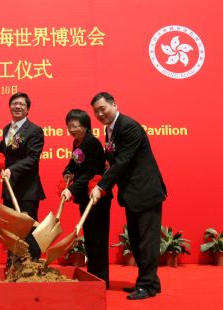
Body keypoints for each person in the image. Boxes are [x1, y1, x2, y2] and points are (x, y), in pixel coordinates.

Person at [89, 92, 167, 300]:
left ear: (114, 104)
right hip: (132, 194)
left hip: (145, 192)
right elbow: (113, 160)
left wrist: (101, 186)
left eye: (102, 109)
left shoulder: (129, 127)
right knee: (136, 239)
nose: (99, 114)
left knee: (146, 241)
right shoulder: (110, 129)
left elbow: (122, 162)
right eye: (96, 111)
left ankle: (146, 286)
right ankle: (151, 281)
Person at [0, 92, 45, 261]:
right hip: (9, 187)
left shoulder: (34, 130)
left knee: (28, 228)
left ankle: (32, 266)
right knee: (11, 228)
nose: (17, 107)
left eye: (22, 105)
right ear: (10, 106)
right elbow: (8, 151)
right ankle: (14, 265)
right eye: (14, 104)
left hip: (27, 189)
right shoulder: (7, 128)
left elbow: (32, 158)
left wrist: (12, 169)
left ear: (27, 109)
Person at [60, 109, 111, 288]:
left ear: (86, 126)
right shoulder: (78, 142)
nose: (72, 129)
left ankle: (102, 280)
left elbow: (90, 172)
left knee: (98, 238)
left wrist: (72, 189)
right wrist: (67, 172)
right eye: (70, 126)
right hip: (85, 196)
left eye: (76, 126)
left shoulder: (92, 143)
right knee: (89, 237)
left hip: (96, 197)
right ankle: (93, 276)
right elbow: (74, 163)